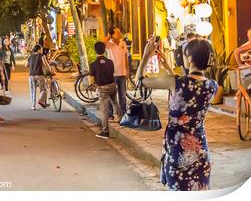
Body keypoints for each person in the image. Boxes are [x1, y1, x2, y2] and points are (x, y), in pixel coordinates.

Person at [136, 36, 218, 191]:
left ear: (189, 58)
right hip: (200, 150)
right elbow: (188, 92)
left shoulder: (175, 82)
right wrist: (169, 69)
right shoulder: (212, 85)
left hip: (178, 150)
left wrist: (147, 54)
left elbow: (139, 81)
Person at [89, 41, 121, 139]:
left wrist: (93, 86)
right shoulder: (110, 62)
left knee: (104, 110)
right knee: (115, 102)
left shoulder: (93, 64)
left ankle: (105, 131)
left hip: (102, 88)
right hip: (112, 86)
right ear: (104, 50)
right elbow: (112, 72)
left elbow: (91, 79)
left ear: (95, 51)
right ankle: (121, 119)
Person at [104, 26, 129, 118]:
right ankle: (110, 114)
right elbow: (102, 43)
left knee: (122, 95)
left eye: (119, 32)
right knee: (111, 95)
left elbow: (126, 56)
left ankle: (123, 114)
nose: (120, 34)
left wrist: (127, 69)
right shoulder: (109, 44)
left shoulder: (123, 43)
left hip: (122, 73)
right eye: (117, 32)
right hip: (112, 74)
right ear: (112, 35)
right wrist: (109, 35)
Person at [26, 44, 51, 109]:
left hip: (31, 75)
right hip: (39, 74)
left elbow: (26, 65)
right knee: (44, 89)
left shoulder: (30, 56)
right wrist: (50, 70)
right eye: (41, 49)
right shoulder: (42, 55)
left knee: (32, 91)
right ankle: (41, 100)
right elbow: (46, 64)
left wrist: (32, 65)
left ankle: (33, 106)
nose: (42, 50)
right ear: (39, 49)